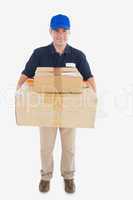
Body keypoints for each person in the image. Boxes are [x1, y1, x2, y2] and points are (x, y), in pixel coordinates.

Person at [16, 14, 96, 193]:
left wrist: (93, 98)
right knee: (46, 147)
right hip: (45, 109)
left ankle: (68, 177)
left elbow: (89, 77)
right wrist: (18, 91)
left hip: (70, 110)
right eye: (56, 31)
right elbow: (26, 74)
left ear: (69, 33)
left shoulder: (78, 55)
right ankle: (45, 177)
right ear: (50, 32)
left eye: (64, 31)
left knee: (69, 148)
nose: (60, 35)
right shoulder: (39, 53)